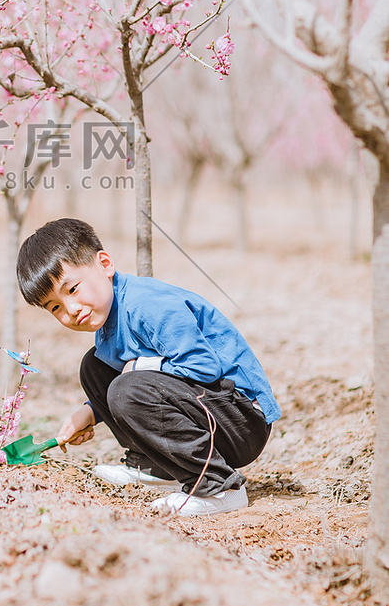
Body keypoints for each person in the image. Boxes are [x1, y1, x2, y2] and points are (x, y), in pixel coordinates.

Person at [16, 218, 280, 517]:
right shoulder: (108, 321)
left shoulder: (148, 304)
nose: (71, 310)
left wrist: (138, 368)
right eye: (55, 308)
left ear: (104, 264)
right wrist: (89, 412)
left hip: (242, 420)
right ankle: (155, 466)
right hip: (212, 412)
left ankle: (218, 486)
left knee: (126, 387)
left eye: (73, 289)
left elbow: (203, 367)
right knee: (94, 367)